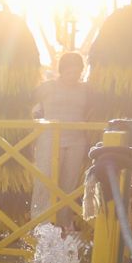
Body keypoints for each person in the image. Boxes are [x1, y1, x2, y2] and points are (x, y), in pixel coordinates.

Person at [32, 51, 94, 225]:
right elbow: (28, 102)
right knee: (45, 180)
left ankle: (63, 223)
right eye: (69, 72)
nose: (73, 76)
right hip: (50, 138)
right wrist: (35, 120)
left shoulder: (85, 89)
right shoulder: (48, 86)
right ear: (62, 70)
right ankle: (40, 223)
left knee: (69, 185)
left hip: (76, 140)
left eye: (77, 72)